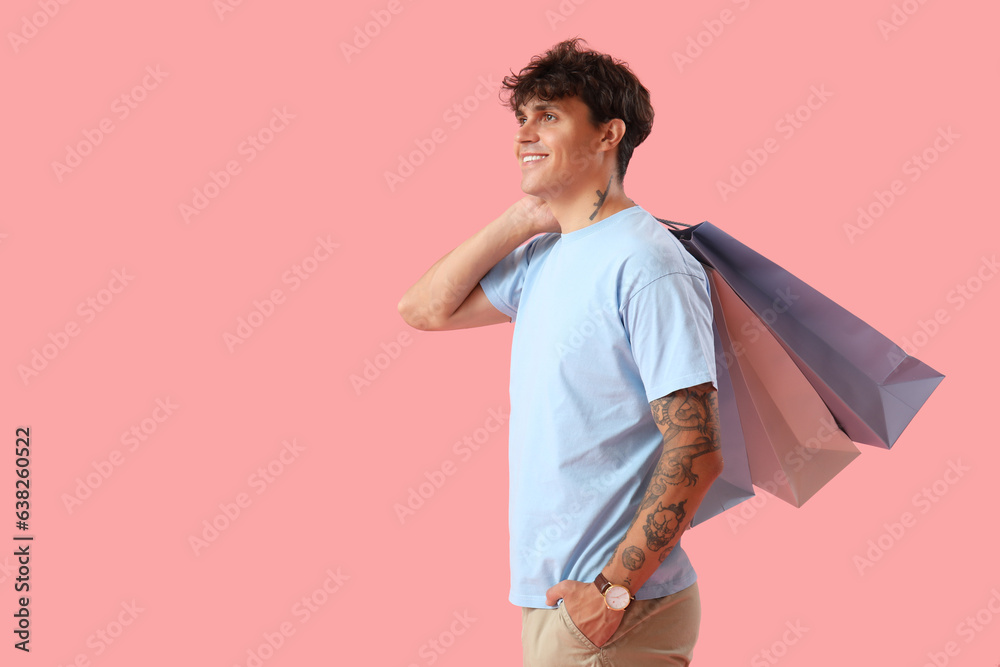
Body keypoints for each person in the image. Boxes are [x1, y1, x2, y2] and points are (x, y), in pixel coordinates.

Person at [397, 37, 723, 666]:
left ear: (609, 135)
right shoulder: (546, 258)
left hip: (613, 610)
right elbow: (422, 309)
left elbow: (696, 448)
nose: (525, 133)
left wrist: (613, 593)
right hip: (561, 604)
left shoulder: (648, 262)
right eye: (521, 118)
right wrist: (524, 219)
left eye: (549, 115)